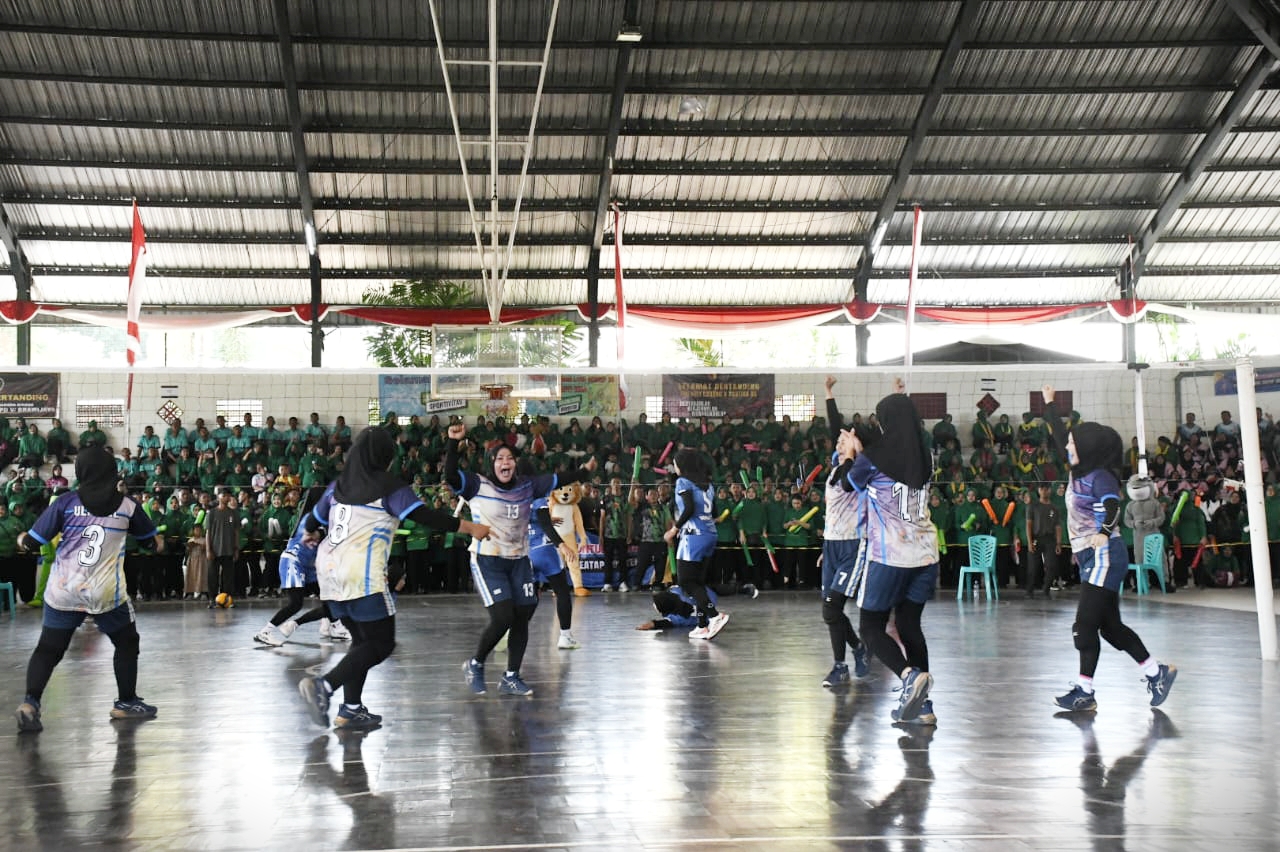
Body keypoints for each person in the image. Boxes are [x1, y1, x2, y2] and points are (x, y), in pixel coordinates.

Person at [298, 427, 488, 729]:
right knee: (381, 643)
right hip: (361, 573)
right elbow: (425, 516)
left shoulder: (337, 486)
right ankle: (324, 686)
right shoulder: (388, 487)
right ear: (384, 456)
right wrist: (470, 527)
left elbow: (312, 521)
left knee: (361, 641)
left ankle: (351, 709)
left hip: (329, 572)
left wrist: (310, 533)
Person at [1042, 384, 1177, 713]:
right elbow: (1060, 438)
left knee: (1084, 626)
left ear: (1087, 448)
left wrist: (1103, 531)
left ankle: (1084, 692)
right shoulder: (1077, 470)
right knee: (1111, 628)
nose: (1068, 446)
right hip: (1090, 556)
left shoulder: (1100, 477)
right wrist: (1050, 405)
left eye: (1074, 443)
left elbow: (1114, 506)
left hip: (1104, 554)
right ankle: (1157, 673)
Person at [14, 446, 164, 733]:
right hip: (105, 593)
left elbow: (31, 543)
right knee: (127, 642)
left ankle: (30, 703)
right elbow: (151, 544)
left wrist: (22, 538)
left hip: (64, 590)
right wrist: (157, 542)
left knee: (49, 648)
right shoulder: (128, 506)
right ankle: (126, 702)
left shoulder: (65, 503)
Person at [447, 422, 593, 696]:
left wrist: (584, 471)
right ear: (492, 464)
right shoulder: (478, 485)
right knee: (503, 616)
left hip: (520, 560)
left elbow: (558, 478)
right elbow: (451, 476)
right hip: (489, 560)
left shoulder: (528, 485)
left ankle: (511, 676)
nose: (506, 462)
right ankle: (475, 664)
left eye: (510, 458)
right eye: (500, 458)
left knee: (522, 616)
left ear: (515, 464)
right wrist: (453, 443)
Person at [839, 378, 938, 725]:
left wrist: (851, 454)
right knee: (910, 625)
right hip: (926, 554)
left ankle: (908, 676)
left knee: (870, 627)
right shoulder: (924, 456)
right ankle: (924, 707)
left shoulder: (873, 458)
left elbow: (848, 483)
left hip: (891, 555)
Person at [818, 375, 870, 688]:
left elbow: (848, 479)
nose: (839, 445)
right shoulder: (837, 465)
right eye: (837, 444)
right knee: (830, 611)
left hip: (852, 546)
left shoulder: (857, 469)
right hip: (832, 545)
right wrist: (828, 394)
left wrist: (853, 451)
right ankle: (857, 650)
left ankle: (842, 664)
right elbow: (834, 429)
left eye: (844, 443)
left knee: (832, 607)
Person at [255, 487, 343, 646]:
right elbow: (319, 533)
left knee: (329, 599)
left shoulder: (318, 517)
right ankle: (265, 632)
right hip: (293, 562)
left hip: (307, 565)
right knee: (296, 603)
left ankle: (336, 627)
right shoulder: (312, 518)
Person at [663, 448, 729, 640]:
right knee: (698, 582)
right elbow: (713, 512)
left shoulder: (682, 482)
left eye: (675, 463)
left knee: (686, 582)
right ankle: (701, 625)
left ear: (681, 465)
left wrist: (674, 530)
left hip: (693, 536)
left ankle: (714, 616)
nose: (674, 467)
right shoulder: (708, 484)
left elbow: (689, 508)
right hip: (710, 533)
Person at [528, 487, 581, 650]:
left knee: (530, 594)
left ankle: (510, 630)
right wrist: (562, 545)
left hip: (525, 551)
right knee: (562, 591)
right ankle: (565, 636)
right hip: (544, 551)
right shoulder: (538, 498)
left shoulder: (516, 496)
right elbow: (545, 524)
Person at [635, 582, 756, 631]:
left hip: (705, 614)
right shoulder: (675, 590)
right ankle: (743, 590)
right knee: (709, 586)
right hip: (707, 596)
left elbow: (664, 623)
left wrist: (652, 624)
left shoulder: (675, 618)